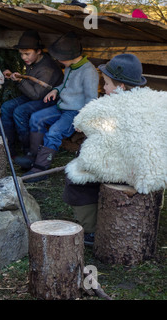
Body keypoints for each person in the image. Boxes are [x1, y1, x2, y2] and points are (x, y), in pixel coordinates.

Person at [63, 53, 147, 246]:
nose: (104, 88)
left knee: (76, 181)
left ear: (120, 87)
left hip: (120, 167)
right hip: (132, 165)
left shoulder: (114, 108)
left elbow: (107, 143)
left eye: (106, 84)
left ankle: (92, 231)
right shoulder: (141, 103)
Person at [15, 31, 99, 180]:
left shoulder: (88, 71)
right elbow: (64, 85)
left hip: (75, 112)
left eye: (60, 58)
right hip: (62, 107)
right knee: (36, 118)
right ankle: (33, 157)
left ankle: (40, 169)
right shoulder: (69, 67)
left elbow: (91, 99)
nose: (57, 60)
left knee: (54, 132)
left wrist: (84, 119)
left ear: (69, 56)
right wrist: (55, 90)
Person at [0, 30, 63, 161]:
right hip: (35, 95)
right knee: (7, 107)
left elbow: (36, 95)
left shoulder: (47, 68)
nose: (23, 58)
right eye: (21, 54)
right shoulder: (33, 62)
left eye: (27, 54)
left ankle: (28, 151)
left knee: (20, 112)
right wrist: (15, 77)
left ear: (38, 51)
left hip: (50, 100)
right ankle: (9, 149)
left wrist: (20, 81)